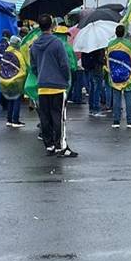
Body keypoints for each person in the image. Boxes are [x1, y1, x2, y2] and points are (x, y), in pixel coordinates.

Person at [30, 14, 77, 157]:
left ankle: (49, 145)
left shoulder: (34, 45)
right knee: (59, 117)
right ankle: (61, 146)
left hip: (42, 86)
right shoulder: (57, 43)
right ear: (51, 26)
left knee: (45, 117)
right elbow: (64, 65)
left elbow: (33, 66)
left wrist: (41, 76)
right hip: (57, 85)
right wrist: (66, 78)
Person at [106, 24, 131, 129]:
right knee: (129, 99)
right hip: (127, 75)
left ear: (115, 33)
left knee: (116, 99)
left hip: (115, 75)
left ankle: (116, 121)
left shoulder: (110, 45)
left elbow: (107, 60)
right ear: (124, 33)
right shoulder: (129, 45)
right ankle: (130, 120)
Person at [0, 35, 27, 127]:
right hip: (16, 80)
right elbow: (23, 67)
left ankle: (9, 120)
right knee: (17, 100)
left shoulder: (6, 52)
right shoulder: (18, 54)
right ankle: (15, 120)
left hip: (5, 80)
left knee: (10, 100)